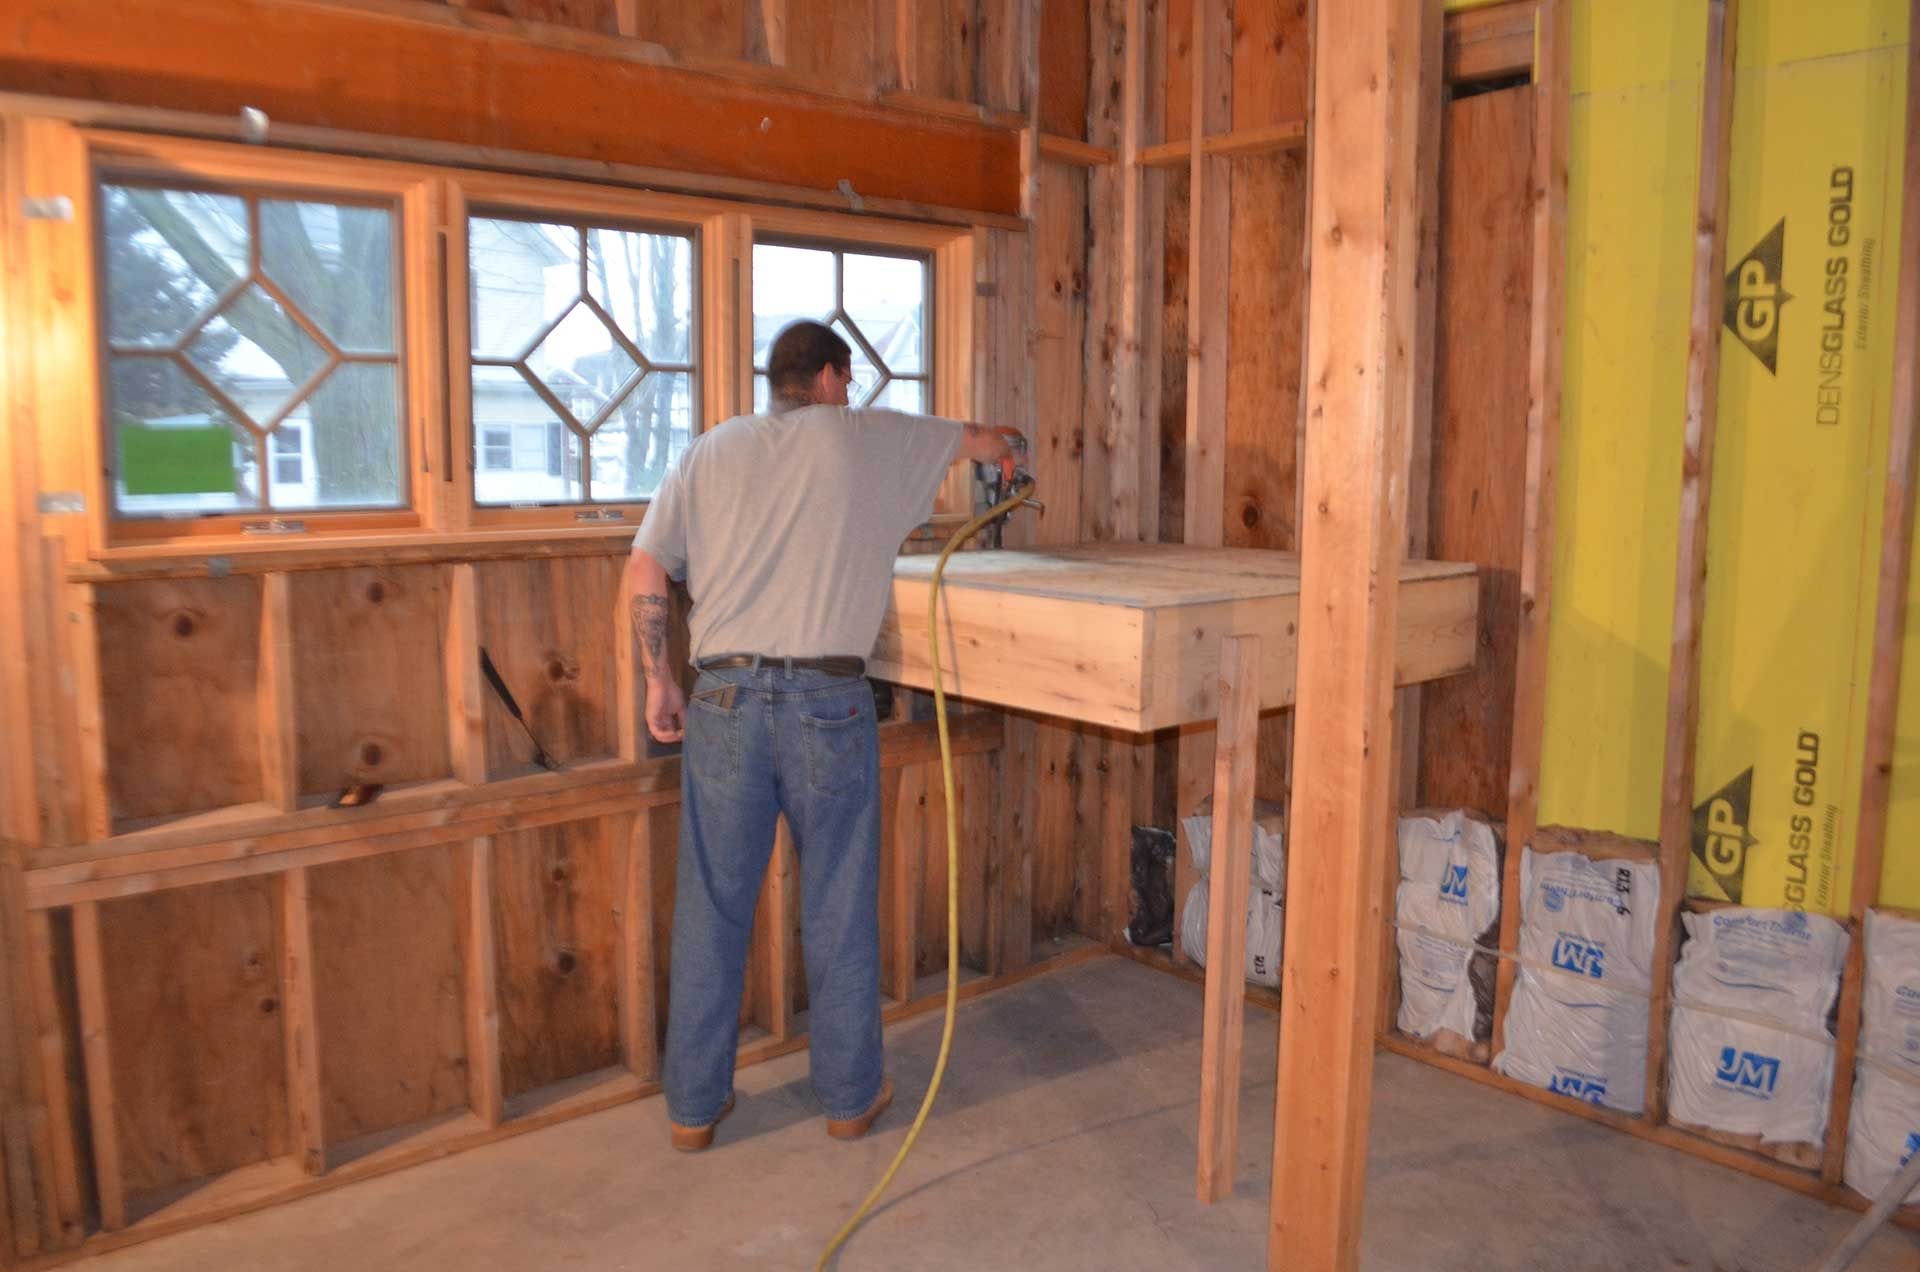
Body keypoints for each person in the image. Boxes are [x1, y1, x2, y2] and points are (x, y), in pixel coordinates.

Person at [622, 319, 1016, 1152]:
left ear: (778, 382)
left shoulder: (710, 450)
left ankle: (693, 1111)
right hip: (828, 704)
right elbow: (984, 441)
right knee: (837, 899)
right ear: (835, 379)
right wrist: (1011, 451)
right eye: (849, 382)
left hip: (721, 696)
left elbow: (646, 566)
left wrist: (660, 679)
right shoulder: (868, 439)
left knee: (713, 904)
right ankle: (846, 1099)